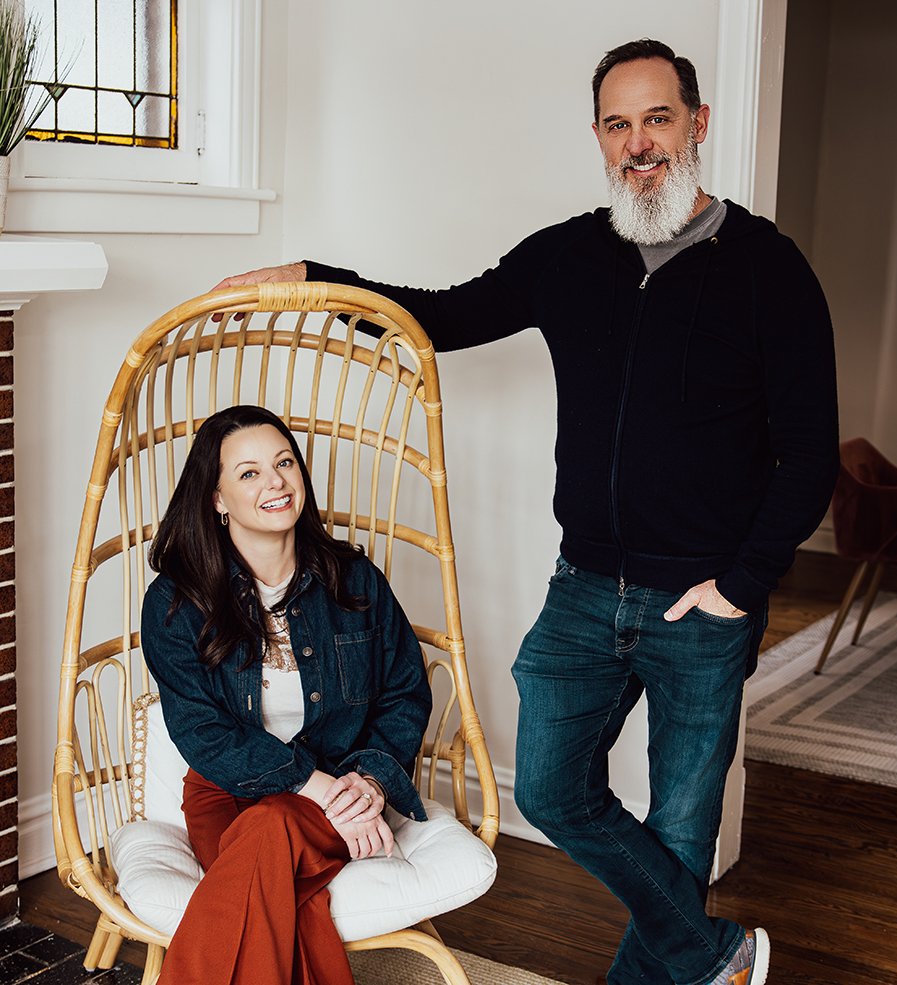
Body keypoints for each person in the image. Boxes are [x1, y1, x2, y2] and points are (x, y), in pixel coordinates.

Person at [210, 39, 839, 985]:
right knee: (549, 786)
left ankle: (687, 964)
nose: (639, 144)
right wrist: (314, 278)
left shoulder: (770, 268)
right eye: (618, 124)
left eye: (658, 118)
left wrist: (741, 585)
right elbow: (442, 316)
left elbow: (811, 454)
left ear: (698, 124)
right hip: (583, 590)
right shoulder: (568, 257)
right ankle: (720, 956)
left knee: (678, 831)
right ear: (597, 137)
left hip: (702, 606)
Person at [140, 405, 432, 985]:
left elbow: (404, 695)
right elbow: (203, 732)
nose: (274, 481)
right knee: (278, 862)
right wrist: (313, 788)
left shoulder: (355, 581)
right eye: (248, 473)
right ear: (217, 498)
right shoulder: (176, 602)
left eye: (284, 463)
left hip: (345, 787)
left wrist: (367, 784)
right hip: (225, 797)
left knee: (271, 828)